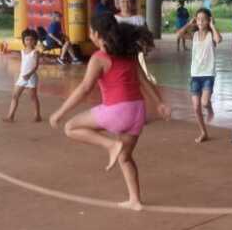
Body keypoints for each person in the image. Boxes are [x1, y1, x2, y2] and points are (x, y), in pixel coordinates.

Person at [49, 13, 170, 211]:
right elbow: (144, 80)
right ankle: (135, 201)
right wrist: (159, 103)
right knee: (125, 157)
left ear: (97, 34)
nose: (90, 36)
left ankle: (110, 145)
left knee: (70, 127)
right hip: (137, 112)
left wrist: (60, 112)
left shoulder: (99, 58)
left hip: (117, 111)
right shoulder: (128, 53)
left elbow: (84, 88)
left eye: (90, 32)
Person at [177, 8, 222, 143]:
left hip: (208, 74)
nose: (201, 21)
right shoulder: (194, 35)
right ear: (195, 21)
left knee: (203, 103)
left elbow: (218, 40)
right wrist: (189, 24)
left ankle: (209, 109)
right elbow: (179, 34)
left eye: (204, 19)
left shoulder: (211, 35)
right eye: (198, 19)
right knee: (196, 107)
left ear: (209, 21)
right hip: (195, 75)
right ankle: (203, 132)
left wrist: (213, 26)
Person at [3, 29, 42, 122]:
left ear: (35, 41)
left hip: (31, 77)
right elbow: (24, 64)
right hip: (22, 77)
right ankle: (10, 116)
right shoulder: (22, 51)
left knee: (33, 97)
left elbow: (36, 66)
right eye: (27, 39)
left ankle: (37, 115)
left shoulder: (35, 52)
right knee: (15, 96)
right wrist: (20, 74)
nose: (29, 42)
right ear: (24, 40)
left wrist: (28, 74)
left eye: (31, 40)